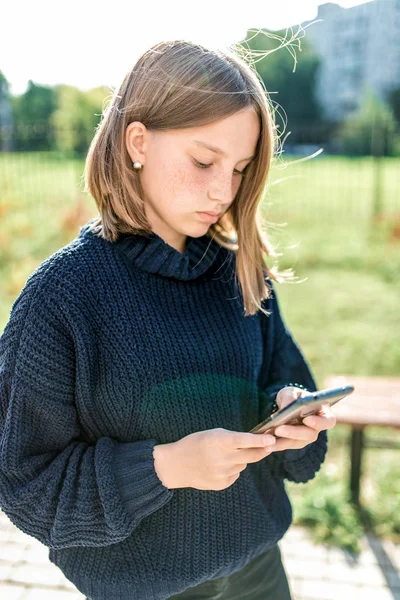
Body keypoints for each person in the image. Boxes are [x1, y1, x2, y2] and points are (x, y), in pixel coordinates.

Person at [0, 39, 336, 600]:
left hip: (260, 570)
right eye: (204, 161)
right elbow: (26, 484)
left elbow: (287, 400)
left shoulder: (241, 274)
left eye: (239, 168)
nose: (222, 190)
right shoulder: (62, 298)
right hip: (145, 589)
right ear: (137, 142)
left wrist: (293, 419)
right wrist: (165, 467)